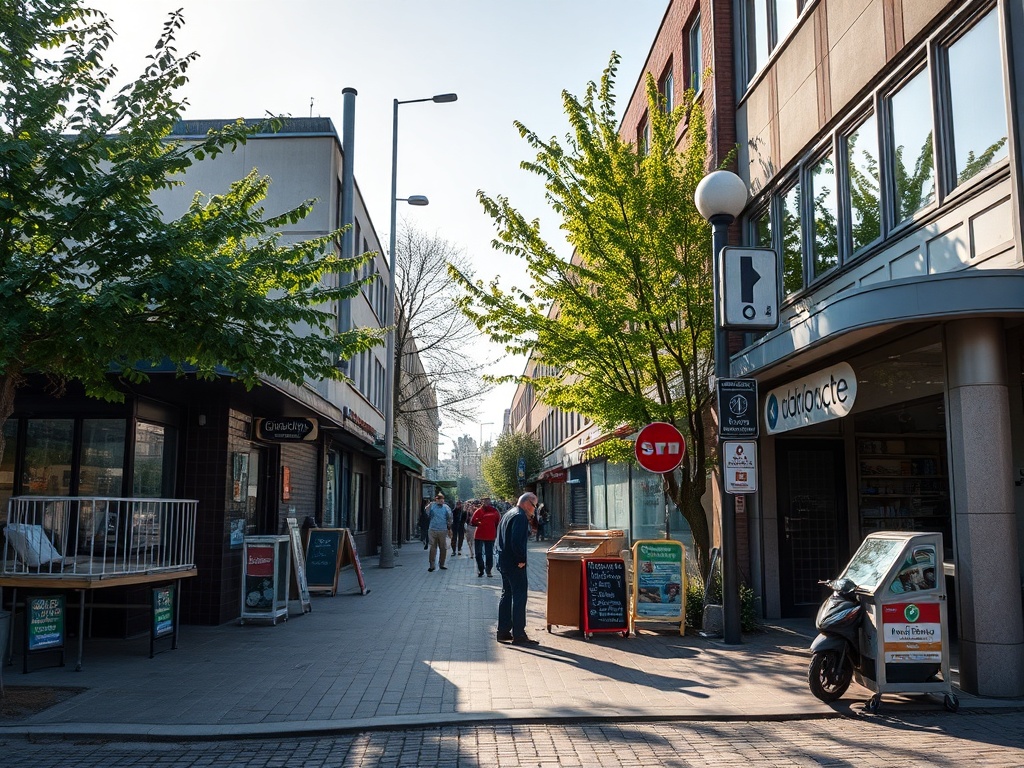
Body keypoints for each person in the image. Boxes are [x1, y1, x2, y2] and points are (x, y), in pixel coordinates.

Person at [495, 492, 540, 645]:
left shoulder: (509, 513)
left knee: (506, 594)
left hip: (503, 561)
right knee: (520, 596)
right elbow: (516, 541)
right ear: (527, 503)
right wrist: (521, 559)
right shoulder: (520, 516)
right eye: (534, 506)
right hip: (514, 563)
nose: (534, 509)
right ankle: (519, 634)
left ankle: (503, 631)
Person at [470, 497, 501, 578]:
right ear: (482, 502)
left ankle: (488, 570)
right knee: (478, 554)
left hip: (490, 536)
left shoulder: (494, 511)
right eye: (484, 501)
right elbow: (473, 521)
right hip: (479, 535)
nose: (486, 502)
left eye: (487, 501)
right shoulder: (479, 511)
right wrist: (480, 523)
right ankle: (481, 569)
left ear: (490, 502)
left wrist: (496, 532)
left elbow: (498, 522)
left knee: (489, 554)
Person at [425, 493, 452, 572]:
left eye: (442, 499)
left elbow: (450, 518)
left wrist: (449, 527)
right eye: (439, 499)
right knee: (433, 547)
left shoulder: (446, 508)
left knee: (443, 548)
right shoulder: (432, 506)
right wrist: (429, 505)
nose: (441, 501)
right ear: (436, 500)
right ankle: (432, 565)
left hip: (443, 530)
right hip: (432, 529)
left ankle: (442, 564)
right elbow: (426, 512)